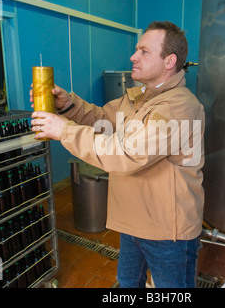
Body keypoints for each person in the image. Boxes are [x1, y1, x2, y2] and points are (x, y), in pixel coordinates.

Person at [30, 21, 205, 288]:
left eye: (144, 51)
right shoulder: (138, 99)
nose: (133, 56)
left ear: (169, 61)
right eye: (136, 49)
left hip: (166, 232)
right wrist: (69, 106)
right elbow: (102, 119)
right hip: (133, 221)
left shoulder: (179, 107)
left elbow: (125, 154)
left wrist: (64, 131)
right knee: (126, 284)